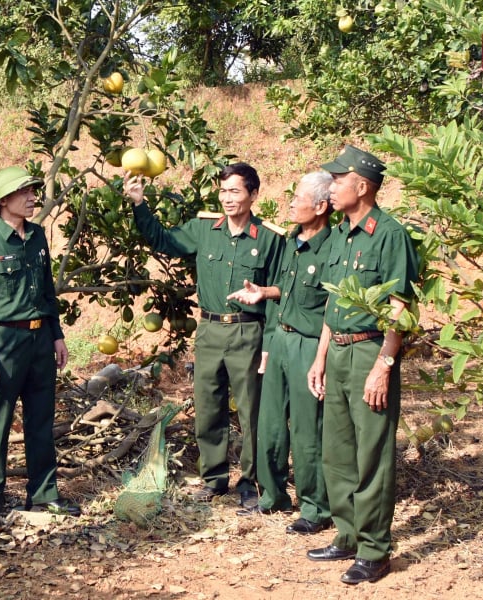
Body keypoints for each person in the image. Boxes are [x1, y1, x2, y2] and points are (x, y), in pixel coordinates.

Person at [125, 163, 285, 508]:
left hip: (248, 331)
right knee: (208, 406)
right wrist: (139, 203)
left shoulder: (270, 238)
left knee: (251, 411)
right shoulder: (203, 229)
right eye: (223, 191)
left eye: (235, 191)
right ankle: (214, 479)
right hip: (210, 329)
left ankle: (251, 481)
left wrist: (270, 343)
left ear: (254, 194)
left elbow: (278, 294)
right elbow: (164, 240)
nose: (227, 198)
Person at [305, 146, 419, 585]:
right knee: (337, 452)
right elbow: (333, 303)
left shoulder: (390, 235)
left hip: (370, 352)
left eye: (338, 180)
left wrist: (383, 366)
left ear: (363, 186)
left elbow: (400, 308)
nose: (331, 187)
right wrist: (320, 358)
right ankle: (348, 535)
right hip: (337, 353)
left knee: (372, 454)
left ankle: (374, 550)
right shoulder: (339, 235)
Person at [0, 166, 79, 529]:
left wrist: (56, 335)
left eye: (33, 191)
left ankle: (44, 494)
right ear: (3, 200)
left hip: (39, 339)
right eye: (24, 192)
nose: (32, 198)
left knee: (41, 419)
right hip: (4, 342)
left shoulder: (37, 236)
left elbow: (46, 291)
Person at [226, 171, 333, 534]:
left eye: (298, 198)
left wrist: (321, 358)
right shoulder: (291, 241)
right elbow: (285, 294)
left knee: (307, 430)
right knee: (270, 424)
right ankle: (272, 496)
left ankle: (315, 507)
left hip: (308, 345)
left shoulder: (332, 247)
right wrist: (265, 300)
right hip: (281, 340)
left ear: (320, 206)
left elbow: (330, 308)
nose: (290, 203)